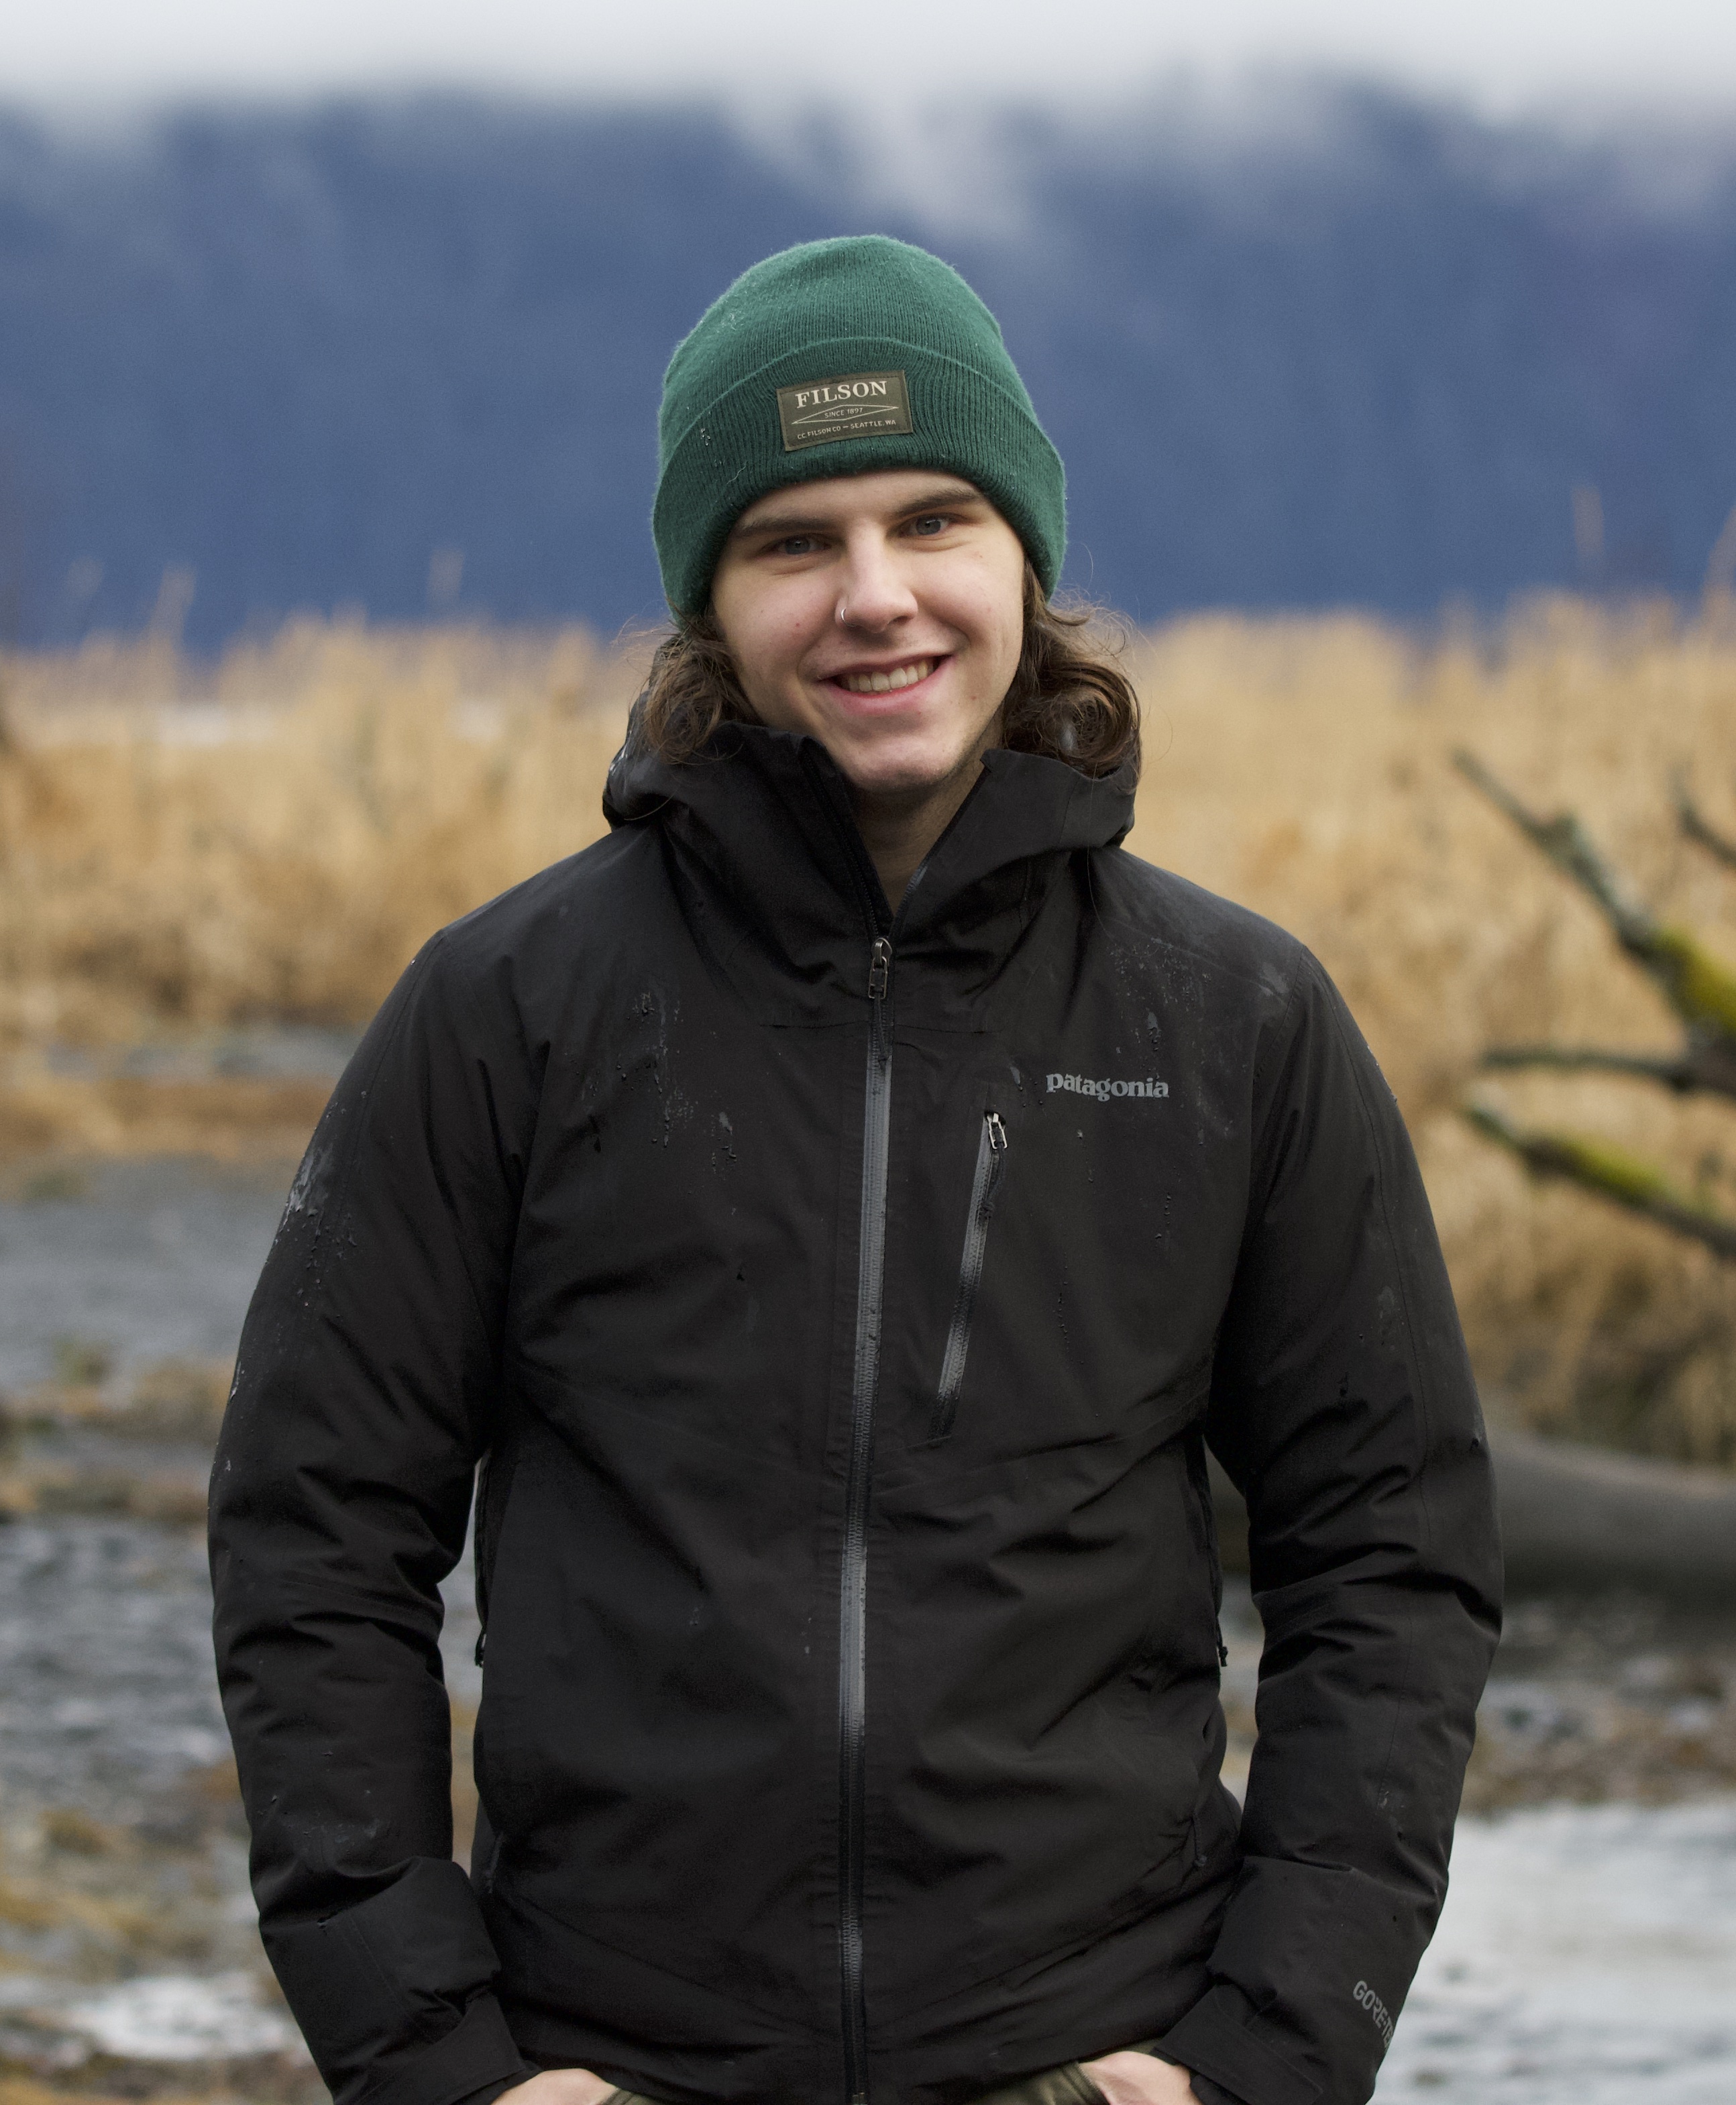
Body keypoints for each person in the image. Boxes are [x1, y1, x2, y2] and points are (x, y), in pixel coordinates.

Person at [210, 236, 1501, 2105]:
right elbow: (312, 1529)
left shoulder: (1232, 1020)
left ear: (1023, 561)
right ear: (710, 601)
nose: (874, 596)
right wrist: (431, 2054)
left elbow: (1391, 1553)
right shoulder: (511, 1008)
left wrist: (1266, 2048)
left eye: (933, 520)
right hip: (615, 2059)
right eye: (792, 540)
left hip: (1085, 2054)